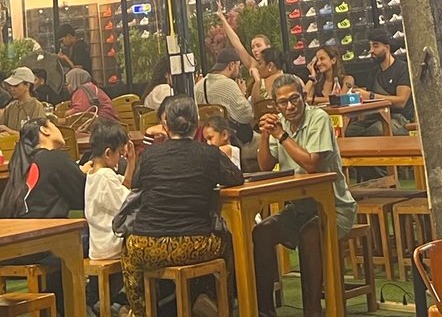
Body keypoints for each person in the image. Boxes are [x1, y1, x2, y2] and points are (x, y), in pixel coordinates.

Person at [121, 96, 240, 317]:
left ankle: (140, 311)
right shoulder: (209, 153)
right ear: (197, 123)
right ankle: (216, 301)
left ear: (165, 124)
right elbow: (236, 177)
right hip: (196, 243)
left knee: (129, 252)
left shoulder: (150, 155)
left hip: (147, 245)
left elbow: (136, 184)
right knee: (228, 242)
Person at [252, 75, 355, 317]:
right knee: (262, 232)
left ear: (304, 97)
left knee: (310, 233)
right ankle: (265, 310)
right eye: (283, 102)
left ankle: (312, 310)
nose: (289, 107)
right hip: (298, 209)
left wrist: (281, 136)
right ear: (276, 105)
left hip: (333, 208)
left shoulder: (318, 118)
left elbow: (311, 164)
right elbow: (265, 166)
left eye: (294, 99)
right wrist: (265, 135)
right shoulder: (280, 124)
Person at [0, 117, 88, 303]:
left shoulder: (20, 162)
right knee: (103, 237)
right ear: (45, 130)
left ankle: (58, 306)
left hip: (12, 246)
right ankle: (90, 301)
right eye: (54, 125)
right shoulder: (54, 158)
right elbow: (85, 196)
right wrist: (85, 173)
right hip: (39, 245)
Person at [81, 120, 130, 265]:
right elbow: (128, 204)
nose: (121, 158)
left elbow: (126, 184)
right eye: (120, 153)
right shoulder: (106, 176)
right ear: (108, 153)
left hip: (98, 247)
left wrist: (131, 160)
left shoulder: (93, 173)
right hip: (111, 246)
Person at [346, 28, 411, 137]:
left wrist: (370, 96)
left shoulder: (402, 68)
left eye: (375, 46)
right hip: (377, 117)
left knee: (375, 131)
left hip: (400, 118)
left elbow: (401, 101)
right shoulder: (374, 73)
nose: (371, 50)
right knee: (351, 131)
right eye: (370, 46)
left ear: (387, 47)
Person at [193, 52, 254, 134]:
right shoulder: (229, 84)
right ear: (232, 65)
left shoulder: (198, 85)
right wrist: (243, 94)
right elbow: (246, 116)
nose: (239, 69)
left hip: (204, 134)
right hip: (226, 134)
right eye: (239, 66)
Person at [0, 67, 51, 132]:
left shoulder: (36, 107)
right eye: (10, 85)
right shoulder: (11, 106)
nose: (11, 89)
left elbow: (36, 134)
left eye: (16, 85)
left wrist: (9, 131)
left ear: (27, 85)